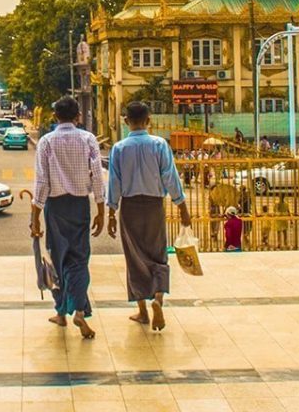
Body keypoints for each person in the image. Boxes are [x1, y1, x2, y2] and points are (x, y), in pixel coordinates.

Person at [106, 101, 191, 332]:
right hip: (154, 206)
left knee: (134, 258)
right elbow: (170, 177)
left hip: (130, 207)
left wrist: (111, 212)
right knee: (158, 254)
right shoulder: (159, 145)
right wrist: (181, 205)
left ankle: (143, 311)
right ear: (149, 120)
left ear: (126, 121)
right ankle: (158, 299)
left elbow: (114, 182)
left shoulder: (120, 148)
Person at [30, 95, 105, 339]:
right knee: (79, 259)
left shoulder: (46, 142)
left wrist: (35, 217)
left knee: (57, 258)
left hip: (55, 207)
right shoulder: (88, 139)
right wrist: (101, 209)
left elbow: (41, 181)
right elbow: (97, 175)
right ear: (78, 117)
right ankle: (78, 310)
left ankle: (62, 309)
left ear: (55, 116)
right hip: (80, 205)